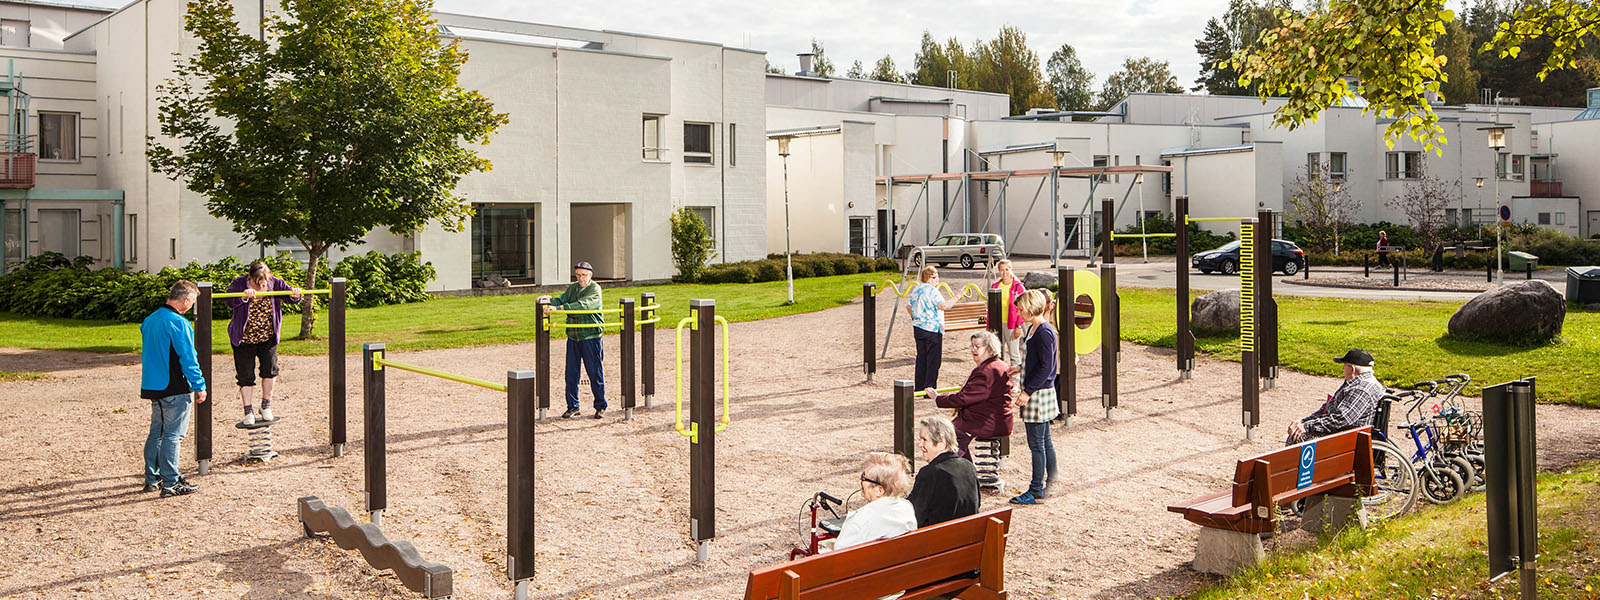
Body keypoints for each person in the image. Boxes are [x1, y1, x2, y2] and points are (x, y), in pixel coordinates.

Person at [140, 280, 208, 497]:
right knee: (173, 435)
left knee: (156, 433)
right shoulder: (178, 322)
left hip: (153, 385)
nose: (191, 306)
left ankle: (153, 478)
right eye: (192, 302)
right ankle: (171, 482)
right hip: (174, 385)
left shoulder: (149, 320)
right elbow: (188, 358)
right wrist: (199, 386)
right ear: (186, 300)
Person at [224, 261, 301, 426]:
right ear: (249, 277)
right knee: (245, 376)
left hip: (268, 337)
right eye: (256, 283)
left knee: (270, 371)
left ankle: (266, 405)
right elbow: (228, 301)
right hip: (243, 338)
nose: (260, 287)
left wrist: (295, 295)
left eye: (263, 283)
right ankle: (248, 410)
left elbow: (290, 297)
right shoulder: (239, 283)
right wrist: (243, 296)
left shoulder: (275, 282)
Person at [923, 331, 1014, 460]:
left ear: (989, 348)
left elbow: (965, 398)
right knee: (953, 436)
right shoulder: (999, 365)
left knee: (950, 438)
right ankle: (964, 470)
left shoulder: (987, 371)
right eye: (972, 346)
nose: (973, 350)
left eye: (977, 346)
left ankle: (962, 472)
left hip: (986, 421)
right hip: (995, 418)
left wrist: (938, 398)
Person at [1007, 290, 1059, 505]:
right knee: (1045, 441)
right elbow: (1038, 361)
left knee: (1037, 444)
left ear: (1031, 308)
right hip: (1038, 391)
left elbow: (1047, 367)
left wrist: (1027, 392)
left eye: (1020, 309)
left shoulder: (1044, 332)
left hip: (1038, 394)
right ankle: (1052, 482)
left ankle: (1036, 488)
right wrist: (1019, 368)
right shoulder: (1033, 328)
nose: (1018, 312)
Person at [542, 261, 606, 419]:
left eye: (584, 275)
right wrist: (548, 300)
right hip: (573, 336)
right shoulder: (573, 288)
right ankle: (573, 406)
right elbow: (562, 299)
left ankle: (600, 405)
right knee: (571, 373)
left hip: (590, 336)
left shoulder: (594, 289)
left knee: (594, 372)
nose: (581, 278)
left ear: (590, 275)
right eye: (578, 275)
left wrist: (559, 309)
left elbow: (583, 306)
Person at [1286, 349, 1386, 445]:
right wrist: (1304, 421)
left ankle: (1288, 463)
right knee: (1297, 430)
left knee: (1297, 437)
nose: (1343, 369)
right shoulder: (1357, 382)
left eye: (1344, 366)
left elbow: (1341, 419)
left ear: (1352, 369)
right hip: (1344, 431)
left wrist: (1307, 427)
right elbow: (1328, 407)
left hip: (1347, 437)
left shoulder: (1360, 389)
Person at [830, 453, 918, 551]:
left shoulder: (860, 520)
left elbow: (839, 553)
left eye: (864, 477)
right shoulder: (906, 508)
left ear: (879, 490)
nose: (861, 480)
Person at [906, 416, 979, 528]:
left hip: (937, 542)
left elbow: (913, 516)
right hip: (968, 538)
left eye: (924, 440)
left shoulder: (930, 473)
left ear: (941, 444)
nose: (920, 445)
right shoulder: (968, 467)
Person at [905, 265, 962, 391]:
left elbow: (909, 307)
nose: (938, 280)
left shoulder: (916, 289)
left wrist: (914, 318)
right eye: (935, 277)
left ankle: (919, 387)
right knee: (933, 361)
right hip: (932, 329)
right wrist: (958, 296)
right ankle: (929, 389)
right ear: (929, 278)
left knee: (921, 358)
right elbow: (944, 306)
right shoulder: (932, 291)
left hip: (918, 328)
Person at [990, 259, 1026, 362]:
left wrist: (1019, 326)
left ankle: (1015, 378)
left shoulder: (1018, 287)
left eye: (1006, 269)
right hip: (997, 324)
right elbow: (991, 307)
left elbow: (1022, 308)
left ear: (1011, 270)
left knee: (1014, 354)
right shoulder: (995, 286)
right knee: (996, 353)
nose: (1004, 272)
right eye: (1001, 270)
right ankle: (999, 376)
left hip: (1011, 324)